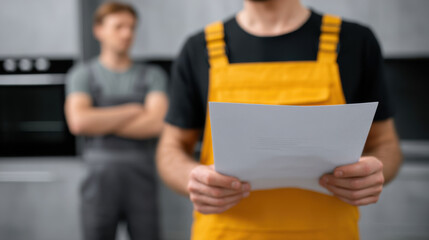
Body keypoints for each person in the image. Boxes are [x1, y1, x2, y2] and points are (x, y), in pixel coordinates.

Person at [156, 0, 402, 239]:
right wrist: (192, 177)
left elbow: (386, 144)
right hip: (226, 233)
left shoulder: (355, 42)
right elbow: (171, 148)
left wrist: (372, 173)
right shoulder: (197, 49)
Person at [64, 2, 168, 240]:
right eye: (119, 27)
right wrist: (133, 110)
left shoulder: (153, 76)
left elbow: (157, 123)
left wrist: (100, 118)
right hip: (98, 179)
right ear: (98, 30)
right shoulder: (82, 75)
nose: (127, 34)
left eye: (131, 27)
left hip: (141, 176)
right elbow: (79, 122)